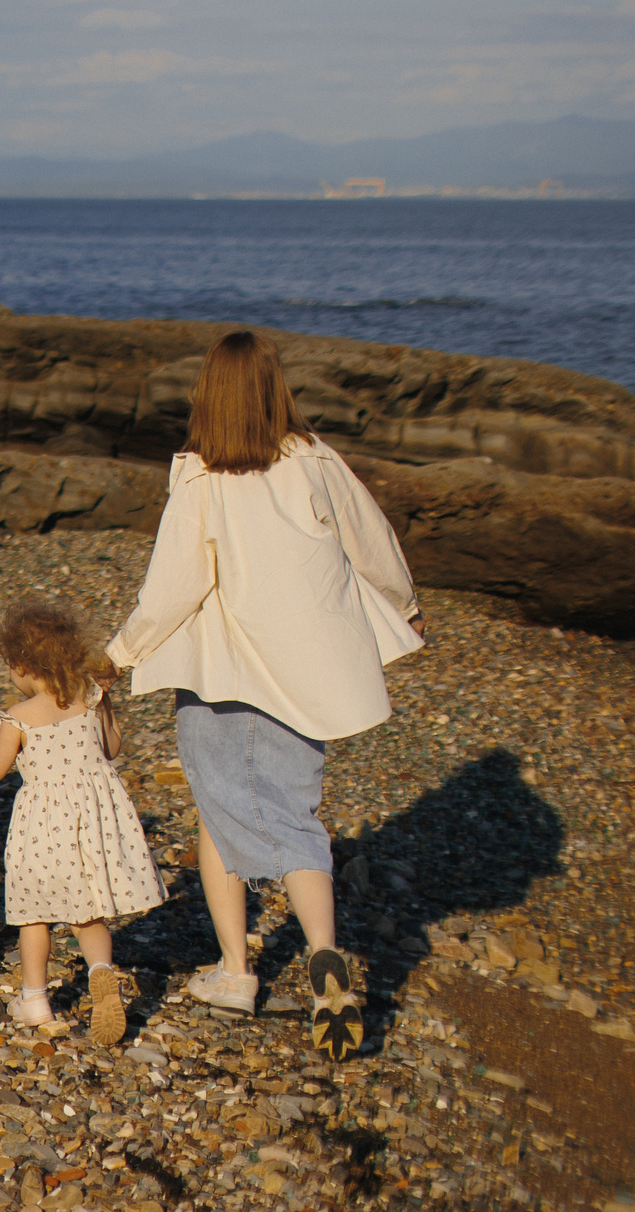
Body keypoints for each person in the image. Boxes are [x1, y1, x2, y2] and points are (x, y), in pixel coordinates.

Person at [107, 329, 425, 1060]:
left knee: (222, 806)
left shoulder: (198, 474)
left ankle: (235, 970)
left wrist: (120, 654)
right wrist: (404, 603)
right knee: (292, 811)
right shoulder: (314, 458)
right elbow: (371, 539)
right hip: (306, 669)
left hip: (225, 674)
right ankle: (323, 953)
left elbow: (174, 584)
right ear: (277, 388)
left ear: (207, 395)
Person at [0, 600, 165, 1046]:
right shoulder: (89, 697)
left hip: (43, 825)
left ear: (23, 665)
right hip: (94, 820)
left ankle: (35, 999)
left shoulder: (20, 716)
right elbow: (112, 748)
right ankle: (102, 972)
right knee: (89, 910)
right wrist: (105, 704)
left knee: (35, 914)